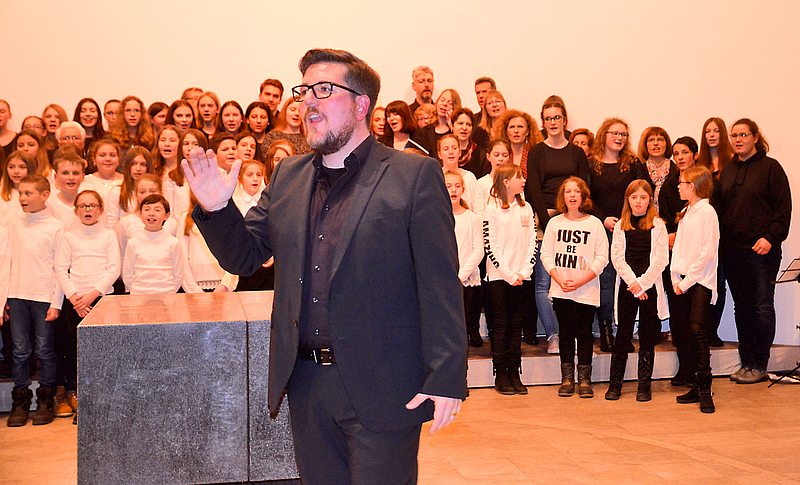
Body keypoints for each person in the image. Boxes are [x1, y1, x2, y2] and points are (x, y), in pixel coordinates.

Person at [184, 48, 466, 485]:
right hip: (307, 382)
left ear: (361, 105)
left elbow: (439, 283)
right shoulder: (288, 176)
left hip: (384, 382)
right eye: (303, 92)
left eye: (324, 90)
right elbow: (244, 257)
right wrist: (217, 208)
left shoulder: (414, 175)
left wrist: (446, 375)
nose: (308, 103)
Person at [720, 119, 791, 384]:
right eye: (734, 135)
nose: (738, 140)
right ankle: (746, 362)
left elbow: (783, 209)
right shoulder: (727, 171)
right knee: (742, 308)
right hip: (733, 252)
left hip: (762, 251)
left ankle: (759, 364)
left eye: (743, 135)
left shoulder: (771, 168)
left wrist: (770, 238)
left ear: (755, 137)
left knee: (761, 307)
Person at [525, 95, 590, 351]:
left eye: (557, 117)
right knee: (544, 282)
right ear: (543, 122)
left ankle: (571, 334)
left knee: (572, 277)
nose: (552, 122)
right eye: (548, 118)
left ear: (565, 120)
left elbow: (583, 186)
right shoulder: (536, 152)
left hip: (574, 218)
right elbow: (533, 189)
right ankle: (553, 335)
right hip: (545, 218)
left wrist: (571, 216)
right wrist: (548, 220)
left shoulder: (576, 152)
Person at [54, 189, 120, 423]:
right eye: (82, 206)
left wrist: (92, 296)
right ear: (76, 210)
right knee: (76, 352)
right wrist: (75, 298)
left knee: (102, 353)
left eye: (92, 206)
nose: (87, 210)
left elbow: (114, 269)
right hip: (75, 301)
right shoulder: (69, 236)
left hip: (101, 300)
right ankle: (83, 404)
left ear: (101, 210)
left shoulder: (109, 236)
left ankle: (103, 403)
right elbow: (61, 269)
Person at [6, 174, 65, 427]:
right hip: (17, 295)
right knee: (20, 351)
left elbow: (60, 267)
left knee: (44, 350)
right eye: (21, 193)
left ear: (44, 195)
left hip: (43, 297)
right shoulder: (13, 223)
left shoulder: (56, 227)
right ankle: (20, 401)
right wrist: (3, 298)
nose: (22, 198)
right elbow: (5, 262)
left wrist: (56, 302)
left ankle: (45, 400)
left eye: (28, 193)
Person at [541, 177, 608, 398]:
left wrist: (581, 281)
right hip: (561, 288)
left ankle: (585, 380)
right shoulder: (555, 223)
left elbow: (602, 258)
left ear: (583, 196)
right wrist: (559, 279)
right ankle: (567, 379)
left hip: (586, 289)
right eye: (568, 191)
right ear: (562, 196)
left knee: (585, 333)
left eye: (576, 191)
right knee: (566, 333)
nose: (572, 195)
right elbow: (546, 254)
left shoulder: (594, 224)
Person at [589, 118, 648, 354]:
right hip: (601, 229)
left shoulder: (633, 164)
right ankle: (606, 332)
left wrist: (626, 219)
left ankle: (624, 332)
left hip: (630, 229)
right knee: (606, 282)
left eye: (623, 134)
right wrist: (603, 218)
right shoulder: (591, 164)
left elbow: (643, 192)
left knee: (628, 280)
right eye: (614, 133)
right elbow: (586, 196)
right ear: (603, 135)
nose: (619, 138)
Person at [606, 180, 669, 401]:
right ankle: (615, 384)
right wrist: (633, 284)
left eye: (643, 197)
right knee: (623, 334)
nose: (638, 202)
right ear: (628, 200)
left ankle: (644, 385)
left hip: (649, 287)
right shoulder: (621, 225)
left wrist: (643, 283)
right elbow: (617, 258)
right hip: (628, 286)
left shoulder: (658, 225)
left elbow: (661, 259)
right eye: (634, 198)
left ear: (650, 200)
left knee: (647, 334)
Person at [483, 163, 536, 395]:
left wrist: (524, 271)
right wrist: (508, 274)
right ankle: (501, 374)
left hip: (521, 277)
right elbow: (490, 245)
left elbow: (532, 241)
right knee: (501, 325)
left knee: (516, 325)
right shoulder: (492, 208)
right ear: (506, 182)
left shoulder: (526, 207)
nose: (523, 180)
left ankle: (515, 372)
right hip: (499, 278)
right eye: (518, 177)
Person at [671, 166, 719, 413]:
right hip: (683, 282)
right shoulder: (688, 211)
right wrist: (675, 278)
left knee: (698, 330)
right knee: (687, 332)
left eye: (682, 183)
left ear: (693, 186)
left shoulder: (707, 212)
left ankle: (705, 389)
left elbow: (706, 254)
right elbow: (679, 249)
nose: (678, 186)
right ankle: (694, 383)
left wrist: (686, 282)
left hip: (699, 282)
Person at [446, 170, 483, 347]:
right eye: (448, 186)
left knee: (467, 315)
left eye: (457, 186)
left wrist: (461, 275)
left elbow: (478, 250)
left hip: (466, 277)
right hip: (445, 277)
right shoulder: (436, 217)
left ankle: (471, 332)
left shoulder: (472, 218)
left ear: (463, 189)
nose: (453, 190)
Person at [122, 194, 183, 294]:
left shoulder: (173, 243)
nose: (151, 213)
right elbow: (128, 275)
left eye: (157, 210)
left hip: (167, 295)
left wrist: (168, 291)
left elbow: (178, 275)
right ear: (140, 214)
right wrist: (138, 291)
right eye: (147, 209)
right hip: (139, 295)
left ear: (167, 215)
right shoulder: (133, 242)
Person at [105, 146, 154, 231]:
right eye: (133, 164)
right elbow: (112, 222)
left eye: (143, 164)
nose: (138, 169)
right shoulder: (117, 191)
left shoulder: (155, 191)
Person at [637, 126, 675, 215]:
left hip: (671, 219)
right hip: (645, 218)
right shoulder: (639, 169)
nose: (656, 143)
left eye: (660, 140)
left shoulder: (676, 169)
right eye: (651, 140)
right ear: (645, 145)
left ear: (667, 144)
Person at [412, 89, 461, 156]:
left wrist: (452, 127)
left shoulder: (457, 130)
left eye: (450, 103)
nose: (444, 104)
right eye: (442, 100)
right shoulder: (425, 131)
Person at [438, 134, 477, 209]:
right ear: (439, 154)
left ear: (460, 152)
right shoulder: (435, 177)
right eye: (446, 149)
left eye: (454, 148)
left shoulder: (469, 178)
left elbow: (476, 206)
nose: (451, 152)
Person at [451, 108, 487, 178]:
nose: (464, 128)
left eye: (468, 124)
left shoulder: (481, 154)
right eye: (460, 123)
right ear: (452, 126)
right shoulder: (445, 151)